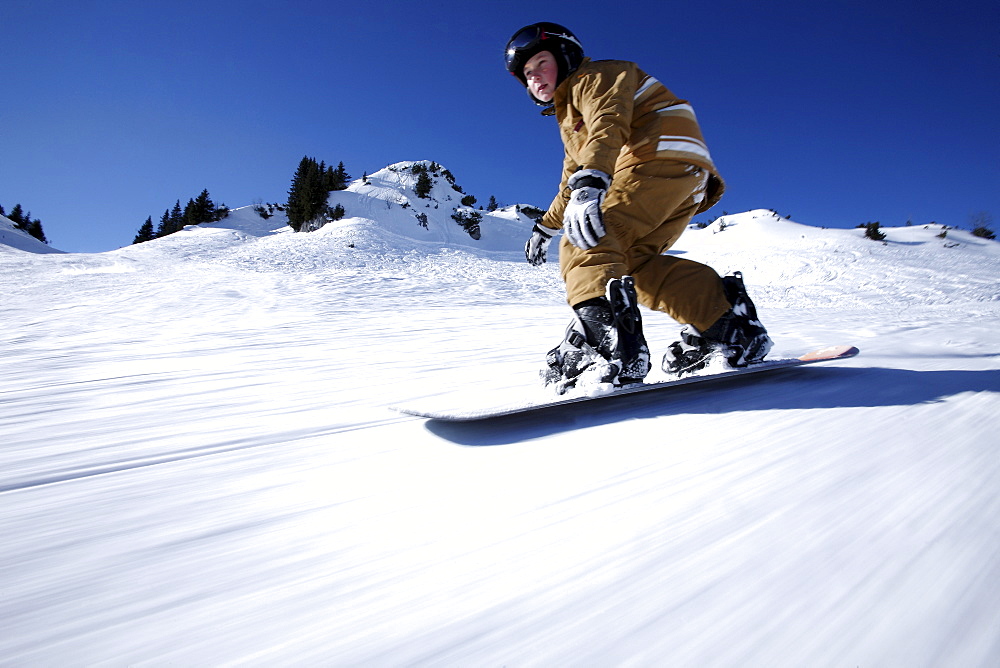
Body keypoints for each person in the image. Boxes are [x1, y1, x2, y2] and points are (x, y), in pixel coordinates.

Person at [504, 22, 772, 392]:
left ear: (566, 57)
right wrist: (546, 226)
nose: (535, 78)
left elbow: (607, 122)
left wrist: (593, 179)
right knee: (633, 265)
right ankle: (725, 323)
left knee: (587, 239)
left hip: (652, 157)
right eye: (527, 75)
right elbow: (572, 177)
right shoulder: (572, 119)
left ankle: (607, 345)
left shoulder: (593, 78)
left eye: (541, 64)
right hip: (683, 179)